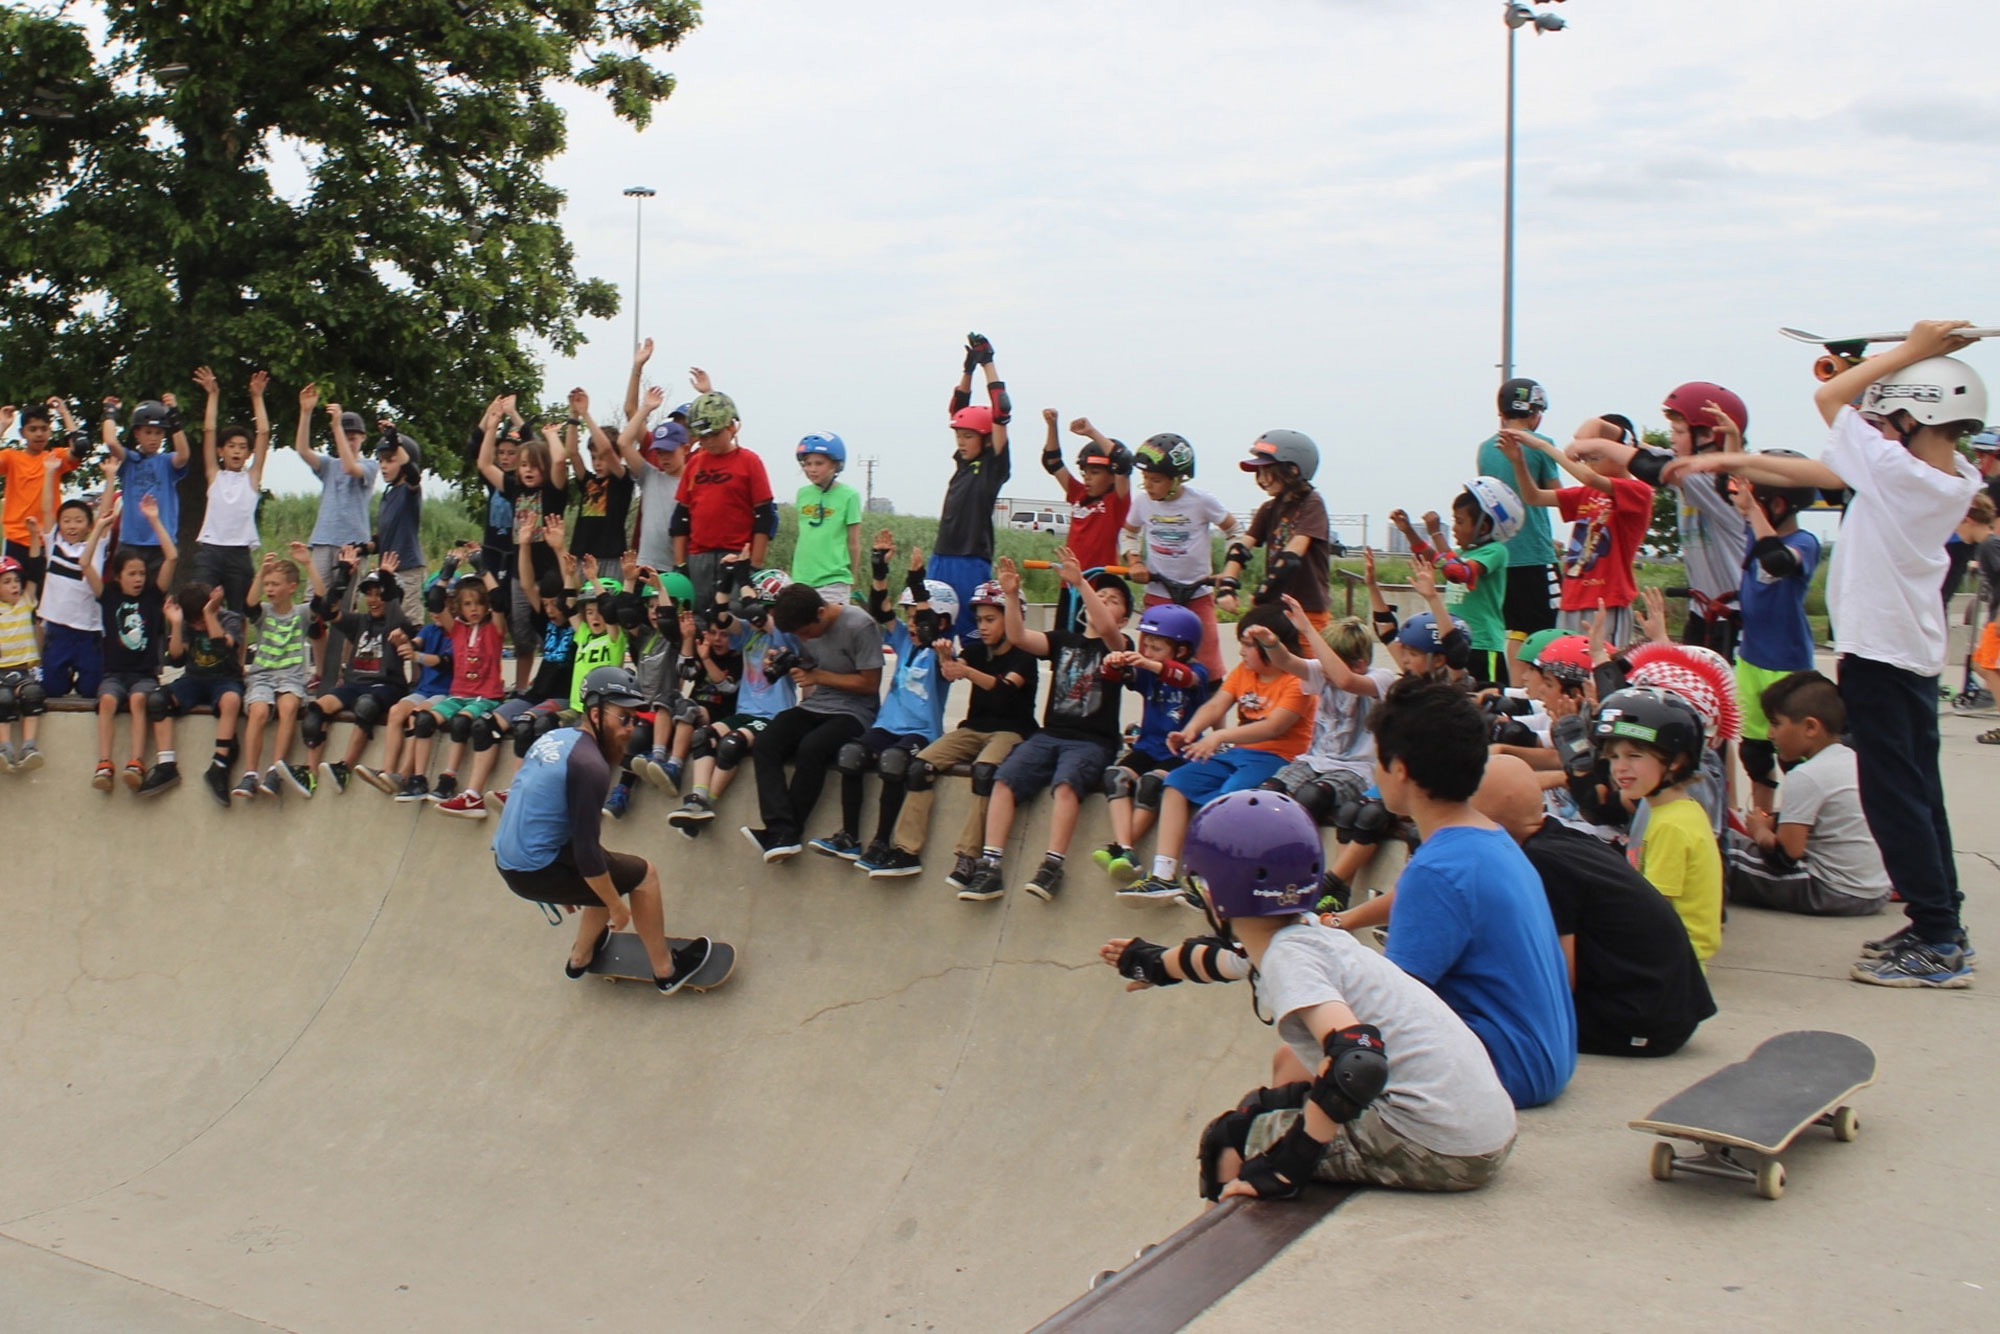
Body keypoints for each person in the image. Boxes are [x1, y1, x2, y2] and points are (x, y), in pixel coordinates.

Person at [1664, 320, 1983, 988]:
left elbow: (1830, 402)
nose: (1879, 426)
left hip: (1882, 654)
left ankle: (1938, 940)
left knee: (1894, 796)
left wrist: (1915, 351)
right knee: (1920, 792)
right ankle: (1939, 919)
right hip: (1904, 651)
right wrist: (1730, 462)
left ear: (1913, 415)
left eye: (1889, 416)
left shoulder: (1902, 472)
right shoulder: (1944, 473)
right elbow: (1826, 466)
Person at [1107, 790, 1516, 1199]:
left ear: (1212, 893)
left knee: (1231, 1138)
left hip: (1439, 1148)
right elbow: (1221, 959)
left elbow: (1357, 1059)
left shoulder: (1288, 958)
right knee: (1262, 1106)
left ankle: (1220, 1247)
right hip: (1477, 1128)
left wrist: (1288, 1166)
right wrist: (1156, 964)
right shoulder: (1302, 934)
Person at [1365, 675, 1576, 1108]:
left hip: (1504, 1068)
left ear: (1400, 769)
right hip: (1547, 1057)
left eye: (1377, 760)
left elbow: (1396, 1005)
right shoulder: (1494, 839)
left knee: (1303, 1052)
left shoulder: (1436, 869)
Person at [1473, 755, 1715, 1056]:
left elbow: (1560, 979)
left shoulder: (1543, 864)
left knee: (1473, 1008)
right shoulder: (1565, 839)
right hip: (1670, 1007)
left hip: (1643, 1023)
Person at [492, 665, 713, 993]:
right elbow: (588, 855)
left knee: (606, 874)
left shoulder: (554, 738)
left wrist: (569, 884)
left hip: (509, 858)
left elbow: (522, 799)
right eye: (623, 718)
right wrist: (614, 906)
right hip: (539, 868)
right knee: (642, 875)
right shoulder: (590, 766)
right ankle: (667, 971)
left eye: (635, 719)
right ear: (594, 713)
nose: (630, 729)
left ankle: (580, 957)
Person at [959, 552, 1133, 902]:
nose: (1102, 601)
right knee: (1004, 778)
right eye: (1099, 597)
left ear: (1125, 618)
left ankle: (1052, 865)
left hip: (1091, 741)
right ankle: (990, 866)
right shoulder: (1064, 640)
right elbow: (1020, 637)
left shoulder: (1121, 648)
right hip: (1050, 733)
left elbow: (1110, 632)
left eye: (1112, 601)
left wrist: (1081, 583)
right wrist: (1010, 595)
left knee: (1066, 784)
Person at [1117, 605, 1317, 905]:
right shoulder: (1244, 672)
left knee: (1230, 797)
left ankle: (1208, 879)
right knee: (1175, 783)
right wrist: (1191, 731)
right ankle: (1164, 875)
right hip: (1238, 752)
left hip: (1277, 758)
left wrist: (1220, 736)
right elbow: (1215, 706)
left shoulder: (1296, 681)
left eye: (1248, 646)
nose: (1241, 653)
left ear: (1271, 647)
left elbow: (1274, 727)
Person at [868, 579, 1039, 883]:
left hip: (1012, 731)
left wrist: (967, 671)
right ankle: (907, 851)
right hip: (973, 728)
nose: (983, 627)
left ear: (1013, 617)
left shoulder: (1025, 656)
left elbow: (1003, 691)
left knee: (984, 772)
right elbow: (951, 670)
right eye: (979, 621)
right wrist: (947, 658)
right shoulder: (974, 650)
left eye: (991, 620)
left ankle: (968, 856)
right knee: (919, 767)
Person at [1254, 597, 1400, 904]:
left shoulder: (1380, 679)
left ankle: (1295, 876)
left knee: (1312, 797)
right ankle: (1259, 865)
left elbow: (1346, 679)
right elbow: (1287, 663)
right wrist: (1271, 644)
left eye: (1331, 661)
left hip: (1354, 769)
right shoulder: (1324, 672)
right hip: (1314, 761)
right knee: (1269, 792)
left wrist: (1308, 628)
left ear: (1360, 662)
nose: (1325, 671)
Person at [821, 545, 957, 865]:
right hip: (887, 726)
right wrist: (879, 569)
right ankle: (849, 836)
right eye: (908, 617)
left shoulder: (942, 653)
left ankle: (881, 842)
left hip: (921, 734)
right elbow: (880, 610)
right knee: (850, 754)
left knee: (894, 761)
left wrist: (916, 578)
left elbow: (926, 625)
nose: (910, 624)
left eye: (916, 618)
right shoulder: (901, 641)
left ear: (941, 623)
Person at [1724, 671, 1891, 917]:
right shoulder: (1853, 760)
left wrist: (1759, 829)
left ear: (1811, 727)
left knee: (1723, 844)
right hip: (1875, 890)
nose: (1770, 734)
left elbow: (1785, 856)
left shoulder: (1807, 775)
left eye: (1776, 723)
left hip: (1830, 891)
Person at [740, 581, 886, 860]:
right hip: (818, 704)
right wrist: (784, 660)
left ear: (821, 612)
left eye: (806, 633)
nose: (804, 639)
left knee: (812, 748)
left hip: (855, 712)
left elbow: (870, 683)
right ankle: (782, 829)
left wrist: (818, 676)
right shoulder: (803, 628)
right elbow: (806, 658)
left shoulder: (860, 625)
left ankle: (785, 833)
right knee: (767, 742)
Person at [1594, 685, 1722, 962]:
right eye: (1614, 756)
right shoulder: (1673, 812)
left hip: (1668, 966)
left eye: (1634, 755)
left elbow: (1652, 912)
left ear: (1675, 761)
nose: (1619, 768)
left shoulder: (1671, 826)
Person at [1499, 420, 1654, 647]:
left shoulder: (1638, 491)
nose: (1589, 463)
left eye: (1595, 455)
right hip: (1572, 598)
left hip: (1607, 600)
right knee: (1567, 670)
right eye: (1586, 458)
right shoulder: (1586, 493)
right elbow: (1533, 497)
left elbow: (1589, 477)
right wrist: (1518, 461)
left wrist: (1544, 447)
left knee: (1602, 668)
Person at [665, 574, 799, 834]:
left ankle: (707, 802)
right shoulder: (747, 633)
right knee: (703, 736)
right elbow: (723, 616)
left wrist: (745, 573)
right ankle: (697, 800)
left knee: (731, 744)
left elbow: (758, 615)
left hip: (774, 716)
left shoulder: (785, 635)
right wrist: (726, 580)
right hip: (745, 712)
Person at [1727, 455, 1822, 812]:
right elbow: (1734, 479)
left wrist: (1754, 512)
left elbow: (1777, 561)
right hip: (1750, 659)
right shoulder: (1754, 531)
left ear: (1778, 505)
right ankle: (1762, 819)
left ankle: (1799, 823)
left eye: (1756, 501)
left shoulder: (1805, 542)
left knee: (1793, 754)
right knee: (1754, 751)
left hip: (1787, 665)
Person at [1091, 602, 1211, 884]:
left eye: (1157, 648)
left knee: (1150, 783)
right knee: (1115, 777)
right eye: (1147, 645)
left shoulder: (1199, 673)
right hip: (1148, 745)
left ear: (1181, 650)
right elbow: (1114, 677)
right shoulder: (1146, 671)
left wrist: (1150, 664)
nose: (1148, 652)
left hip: (1181, 751)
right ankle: (1127, 850)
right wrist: (1113, 664)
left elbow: (1184, 678)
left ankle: (1119, 849)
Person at [81, 495, 178, 791]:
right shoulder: (109, 596)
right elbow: (84, 563)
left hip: (144, 675)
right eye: (131, 574)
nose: (138, 579)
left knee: (139, 701)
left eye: (141, 574)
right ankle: (104, 763)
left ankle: (136, 761)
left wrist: (153, 519)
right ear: (118, 577)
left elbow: (172, 557)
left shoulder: (152, 595)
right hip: (113, 673)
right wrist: (99, 527)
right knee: (108, 701)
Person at [1120, 433, 1235, 679]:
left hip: (1197, 593)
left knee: (1208, 669)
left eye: (1156, 480)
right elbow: (1128, 533)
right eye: (1145, 478)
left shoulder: (1202, 501)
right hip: (1159, 592)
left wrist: (1229, 572)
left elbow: (1235, 532)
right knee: (1149, 665)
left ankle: (1212, 716)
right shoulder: (1142, 503)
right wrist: (1135, 561)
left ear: (1177, 479)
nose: (1148, 485)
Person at [1389, 477, 1523, 685]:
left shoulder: (1495, 551)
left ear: (1484, 527)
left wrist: (1435, 532)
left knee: (1482, 697)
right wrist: (1408, 530)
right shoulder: (1460, 553)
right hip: (1455, 642)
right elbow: (1432, 556)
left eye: (1460, 522)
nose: (1454, 528)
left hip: (1482, 644)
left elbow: (1457, 571)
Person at [475, 393, 569, 692]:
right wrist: (491, 428)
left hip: (550, 573)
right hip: (521, 570)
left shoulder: (552, 491)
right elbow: (484, 465)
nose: (527, 470)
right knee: (522, 631)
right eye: (523, 464)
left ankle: (556, 678)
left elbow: (559, 459)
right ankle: (521, 685)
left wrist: (552, 436)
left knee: (552, 625)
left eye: (533, 466)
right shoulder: (515, 488)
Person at [1475, 377, 1560, 683]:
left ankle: (1510, 688)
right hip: (1535, 554)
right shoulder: (1541, 446)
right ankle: (1533, 689)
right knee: (1545, 631)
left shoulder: (1485, 449)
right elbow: (1557, 495)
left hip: (1500, 556)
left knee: (1512, 628)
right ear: (1533, 411)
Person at [929, 334, 1013, 638]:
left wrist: (988, 363)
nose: (961, 443)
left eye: (968, 437)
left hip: (970, 559)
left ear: (986, 439)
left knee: (970, 636)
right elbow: (958, 409)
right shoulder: (963, 464)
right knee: (932, 630)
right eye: (958, 437)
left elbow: (1001, 411)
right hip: (941, 556)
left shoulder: (993, 467)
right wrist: (968, 370)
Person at [302, 559, 410, 794]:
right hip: (354, 685)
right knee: (315, 711)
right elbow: (326, 611)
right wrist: (342, 576)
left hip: (386, 686)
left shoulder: (398, 622)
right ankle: (310, 774)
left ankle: (345, 767)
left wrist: (387, 578)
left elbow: (394, 606)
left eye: (379, 594)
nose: (373, 600)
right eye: (369, 595)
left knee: (366, 706)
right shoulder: (359, 621)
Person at [295, 387, 380, 681]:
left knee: (345, 609)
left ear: (362, 439)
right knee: (314, 609)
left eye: (354, 436)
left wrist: (337, 426)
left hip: (351, 545)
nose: (350, 440)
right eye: (346, 435)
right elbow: (303, 451)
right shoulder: (328, 466)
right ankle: (321, 670)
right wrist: (306, 413)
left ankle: (344, 668)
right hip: (323, 540)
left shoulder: (369, 465)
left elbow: (349, 465)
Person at [671, 380, 776, 614]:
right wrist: (680, 565)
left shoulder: (749, 462)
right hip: (699, 556)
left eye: (714, 434)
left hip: (738, 555)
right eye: (702, 436)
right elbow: (681, 517)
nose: (708, 441)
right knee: (698, 616)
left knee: (735, 616)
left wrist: (754, 564)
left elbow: (764, 516)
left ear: (732, 427)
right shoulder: (695, 463)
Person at [232, 544, 326, 799]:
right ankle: (250, 773)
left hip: (292, 677)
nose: (270, 589)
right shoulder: (263, 612)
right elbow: (249, 605)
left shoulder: (302, 614)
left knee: (287, 707)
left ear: (291, 587)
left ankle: (276, 769)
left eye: (275, 584)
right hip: (262, 676)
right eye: (268, 584)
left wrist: (308, 564)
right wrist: (260, 574)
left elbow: (321, 598)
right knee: (259, 710)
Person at [1217, 430, 1332, 630]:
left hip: (1307, 610)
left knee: (1307, 661)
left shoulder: (1312, 503)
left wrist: (1263, 590)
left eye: (1266, 471)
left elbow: (1292, 556)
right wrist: (1227, 585)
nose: (1260, 479)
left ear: (1293, 470)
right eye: (1258, 473)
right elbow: (1240, 550)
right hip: (1275, 608)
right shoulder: (1269, 509)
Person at [356, 581, 456, 797]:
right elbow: (416, 643)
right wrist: (404, 641)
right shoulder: (429, 629)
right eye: (432, 607)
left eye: (441, 607)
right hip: (424, 690)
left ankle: (404, 775)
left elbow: (445, 662)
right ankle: (387, 771)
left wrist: (417, 656)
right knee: (395, 712)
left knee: (415, 717)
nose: (435, 612)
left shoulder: (457, 632)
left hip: (446, 692)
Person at [188, 366, 272, 613]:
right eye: (231, 446)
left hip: (239, 552)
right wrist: (212, 395)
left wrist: (257, 397)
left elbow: (264, 433)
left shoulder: (251, 478)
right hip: (211, 550)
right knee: (199, 605)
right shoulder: (215, 475)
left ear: (248, 453)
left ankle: (239, 652)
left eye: (242, 447)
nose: (236, 451)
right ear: (220, 451)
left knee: (240, 611)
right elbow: (209, 431)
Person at [1039, 412, 1132, 629]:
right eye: (1085, 472)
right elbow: (1052, 462)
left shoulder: (1116, 502)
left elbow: (1124, 460)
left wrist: (1091, 432)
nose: (1087, 478)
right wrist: (1053, 426)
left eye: (1095, 472)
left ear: (1111, 475)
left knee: (1090, 643)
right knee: (1062, 645)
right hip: (1070, 583)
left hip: (1097, 588)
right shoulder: (1079, 495)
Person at [159, 581, 246, 803]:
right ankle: (166, 763)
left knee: (231, 701)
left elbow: (223, 648)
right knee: (158, 700)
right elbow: (177, 659)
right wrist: (177, 625)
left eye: (200, 621)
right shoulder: (187, 625)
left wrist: (209, 615)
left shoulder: (230, 619)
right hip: (194, 679)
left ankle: (220, 764)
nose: (199, 627)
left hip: (225, 679)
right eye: (194, 623)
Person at [618, 342, 689, 575]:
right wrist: (646, 409)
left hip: (677, 565)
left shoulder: (696, 475)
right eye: (660, 452)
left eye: (669, 451)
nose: (663, 457)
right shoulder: (650, 475)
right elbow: (623, 442)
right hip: (646, 563)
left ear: (685, 448)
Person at [101, 395, 190, 580]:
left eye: (158, 433)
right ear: (137, 434)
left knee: (156, 597)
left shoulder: (166, 462)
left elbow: (184, 455)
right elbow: (110, 442)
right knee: (126, 595)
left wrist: (174, 417)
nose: (153, 438)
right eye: (148, 432)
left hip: (161, 542)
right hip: (131, 542)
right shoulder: (129, 461)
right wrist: (110, 412)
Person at [0, 398, 84, 592]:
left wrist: (64, 412)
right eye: (33, 429)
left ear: (50, 431)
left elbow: (80, 448)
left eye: (44, 428)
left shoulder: (54, 457)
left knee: (45, 597)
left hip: (47, 539)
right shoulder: (12, 458)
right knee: (14, 599)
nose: (39, 434)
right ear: (22, 433)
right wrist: (3, 425)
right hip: (16, 539)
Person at [37, 483, 106, 699]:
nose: (72, 526)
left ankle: (82, 674)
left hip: (88, 629)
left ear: (89, 525)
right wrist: (49, 474)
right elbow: (47, 510)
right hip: (59, 630)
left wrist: (111, 475)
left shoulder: (94, 547)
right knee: (53, 690)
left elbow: (105, 515)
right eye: (66, 521)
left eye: (79, 520)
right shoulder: (54, 545)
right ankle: (62, 674)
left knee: (91, 690)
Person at [791, 432, 863, 604]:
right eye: (807, 464)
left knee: (831, 627)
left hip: (834, 579)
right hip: (802, 577)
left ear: (835, 464)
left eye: (819, 463)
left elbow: (853, 542)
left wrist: (852, 575)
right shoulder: (803, 494)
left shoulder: (849, 496)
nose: (812, 469)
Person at [371, 421, 426, 627]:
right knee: (390, 627)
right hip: (388, 571)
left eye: (390, 460)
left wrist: (394, 440)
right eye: (380, 460)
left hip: (408, 569)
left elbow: (413, 474)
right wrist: (363, 547)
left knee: (410, 626)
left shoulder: (410, 491)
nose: (383, 466)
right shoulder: (388, 495)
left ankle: (418, 660)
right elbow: (383, 538)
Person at [0, 555, 48, 772]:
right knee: (3, 698)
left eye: (16, 581)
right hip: (1, 672)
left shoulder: (25, 602)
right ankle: (4, 749)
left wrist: (34, 537)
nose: (14, 586)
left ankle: (28, 747)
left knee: (32, 695)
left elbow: (37, 570)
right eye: (7, 581)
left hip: (24, 669)